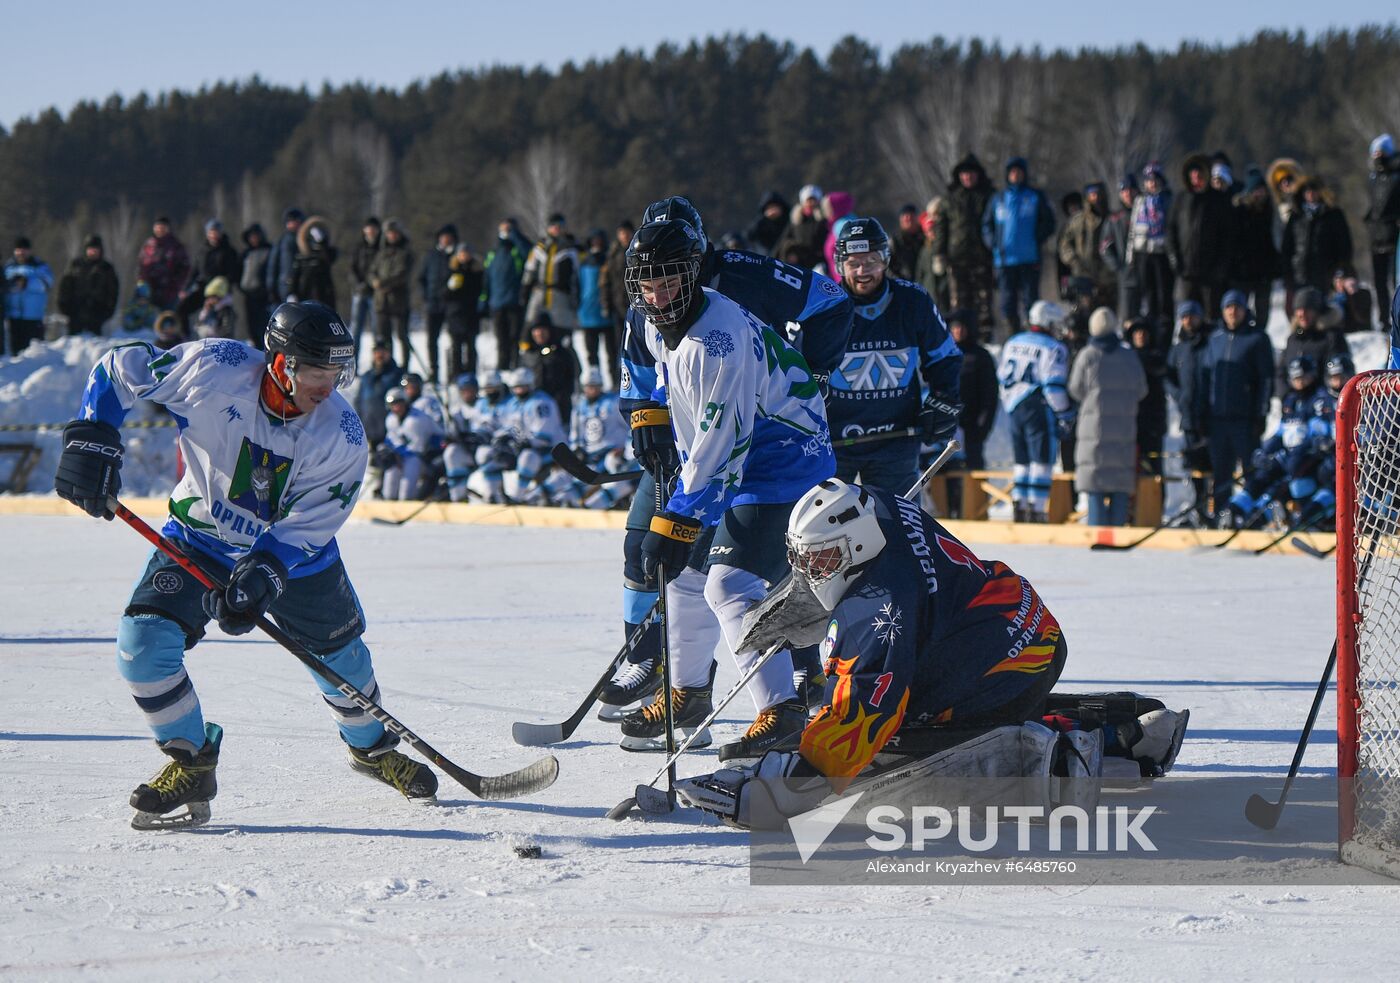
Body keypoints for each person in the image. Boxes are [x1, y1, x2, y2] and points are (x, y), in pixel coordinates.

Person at [52, 301, 437, 829]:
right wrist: (94, 436)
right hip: (198, 539)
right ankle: (192, 763)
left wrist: (265, 572)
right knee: (142, 646)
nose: (329, 386)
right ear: (282, 363)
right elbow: (120, 368)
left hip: (296, 559)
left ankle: (371, 749)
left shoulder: (341, 435)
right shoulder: (214, 368)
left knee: (342, 663)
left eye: (336, 374)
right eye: (318, 373)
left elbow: (312, 522)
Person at [673, 478, 1188, 830]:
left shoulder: (877, 607)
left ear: (853, 548)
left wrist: (774, 787)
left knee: (896, 749)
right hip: (1020, 629)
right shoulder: (873, 502)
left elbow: (861, 718)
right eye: (805, 560)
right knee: (925, 706)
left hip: (1002, 656)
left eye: (823, 561)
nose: (813, 572)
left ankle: (1075, 753)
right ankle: (1130, 723)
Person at [603, 196, 853, 722]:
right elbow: (689, 426)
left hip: (783, 460)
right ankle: (688, 695)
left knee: (729, 583)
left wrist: (677, 516)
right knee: (684, 577)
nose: (658, 294)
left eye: (669, 281)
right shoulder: (654, 323)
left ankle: (780, 713)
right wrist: (646, 422)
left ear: (694, 272)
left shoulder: (716, 342)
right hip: (738, 457)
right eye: (647, 283)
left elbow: (723, 447)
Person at [825, 218, 962, 493]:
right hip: (834, 446)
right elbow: (796, 368)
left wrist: (943, 401)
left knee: (900, 528)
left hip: (896, 442)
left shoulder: (913, 301)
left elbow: (945, 357)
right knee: (822, 531)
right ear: (841, 265)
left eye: (871, 261)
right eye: (854, 263)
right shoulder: (824, 305)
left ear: (885, 260)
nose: (863, 271)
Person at [1222, 355, 1337, 531]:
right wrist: (1264, 451)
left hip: (1311, 458)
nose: (1300, 382)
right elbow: (1280, 434)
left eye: (1303, 377)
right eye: (1296, 378)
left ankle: (1303, 517)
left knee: (1292, 480)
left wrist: (1292, 455)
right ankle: (1235, 511)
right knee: (1261, 476)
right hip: (1290, 456)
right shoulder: (1290, 401)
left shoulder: (1319, 399)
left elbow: (1317, 435)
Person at [1200, 291, 1276, 522]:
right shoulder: (1215, 340)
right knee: (1221, 472)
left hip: (1245, 419)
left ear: (1245, 310)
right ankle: (1222, 514)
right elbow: (1205, 379)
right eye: (1228, 307)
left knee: (1251, 470)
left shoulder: (1257, 339)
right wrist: (1203, 413)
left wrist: (1260, 414)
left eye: (1237, 307)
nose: (1233, 312)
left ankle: (1252, 515)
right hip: (1218, 420)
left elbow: (1266, 380)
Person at [996, 300, 1072, 523]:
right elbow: (1053, 384)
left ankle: (1019, 504)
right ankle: (1037, 510)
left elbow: (1001, 376)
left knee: (1021, 460)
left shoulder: (1012, 342)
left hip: (1013, 406)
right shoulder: (1053, 347)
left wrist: (1010, 400)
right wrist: (1064, 412)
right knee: (1042, 459)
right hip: (1036, 404)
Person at [1070, 308, 1147, 526]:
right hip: (1123, 433)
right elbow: (1142, 389)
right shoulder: (1129, 355)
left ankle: (1098, 534)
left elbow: (1075, 389)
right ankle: (1117, 533)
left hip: (1093, 433)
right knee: (1120, 489)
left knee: (1095, 487)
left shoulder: (1088, 355)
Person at [980, 156, 1055, 334]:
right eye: (1012, 172)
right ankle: (1012, 335)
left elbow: (1049, 222)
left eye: (1018, 172)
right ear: (1007, 175)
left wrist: (1037, 238)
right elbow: (986, 225)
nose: (1015, 175)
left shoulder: (1035, 197)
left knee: (1031, 301)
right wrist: (994, 244)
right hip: (1005, 260)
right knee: (1007, 303)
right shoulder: (998, 199)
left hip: (1029, 258)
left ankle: (1033, 332)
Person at [1167, 152, 1234, 318]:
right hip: (1186, 272)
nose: (1196, 176)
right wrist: (1175, 261)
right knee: (1188, 316)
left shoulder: (1218, 200)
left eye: (1199, 172)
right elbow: (1170, 231)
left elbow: (1228, 237)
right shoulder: (1181, 200)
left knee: (1211, 317)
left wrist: (1221, 267)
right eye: (1193, 172)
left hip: (1211, 274)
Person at [1165, 300, 1212, 520]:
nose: (1188, 321)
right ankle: (1199, 505)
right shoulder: (1179, 349)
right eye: (1184, 317)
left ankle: (1213, 506)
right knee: (1194, 465)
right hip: (1189, 415)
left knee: (1212, 463)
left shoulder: (1210, 343)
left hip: (1210, 416)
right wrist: (1178, 395)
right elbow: (1168, 376)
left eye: (1192, 316)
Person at [940, 154, 997, 335]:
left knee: (984, 300)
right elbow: (942, 227)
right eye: (964, 174)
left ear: (978, 175)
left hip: (983, 257)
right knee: (959, 302)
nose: (968, 177)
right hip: (957, 258)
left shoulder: (989, 196)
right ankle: (960, 336)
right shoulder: (951, 199)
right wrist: (939, 253)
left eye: (971, 174)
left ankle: (985, 336)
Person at [565, 367, 633, 509]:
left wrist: (625, 449)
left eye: (595, 386)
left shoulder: (613, 402)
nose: (592, 390)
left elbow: (629, 425)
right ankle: (568, 502)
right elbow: (575, 432)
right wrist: (576, 449)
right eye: (589, 387)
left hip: (612, 451)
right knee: (576, 481)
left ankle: (622, 499)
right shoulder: (579, 407)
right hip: (591, 455)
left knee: (614, 465)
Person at [947, 308, 998, 472]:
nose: (958, 331)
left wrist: (983, 425)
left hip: (972, 426)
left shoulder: (980, 356)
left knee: (974, 470)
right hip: (948, 425)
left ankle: (978, 498)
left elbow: (990, 394)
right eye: (955, 327)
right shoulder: (944, 354)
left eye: (962, 327)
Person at [1230, 168, 1281, 327]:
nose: (1260, 194)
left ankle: (1260, 336)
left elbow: (1271, 241)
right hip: (1243, 271)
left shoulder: (1269, 211)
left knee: (1263, 310)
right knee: (1241, 307)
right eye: (1256, 191)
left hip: (1264, 271)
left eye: (1262, 190)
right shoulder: (1240, 211)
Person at [1277, 287, 1349, 397]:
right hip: (1294, 405)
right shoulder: (1293, 339)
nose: (1302, 314)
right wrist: (1285, 396)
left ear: (1318, 311)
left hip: (1323, 404)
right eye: (1299, 309)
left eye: (1308, 309)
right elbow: (1281, 372)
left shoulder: (1331, 337)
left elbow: (1339, 372)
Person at [481, 218, 531, 371]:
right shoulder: (493, 253)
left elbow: (528, 254)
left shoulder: (517, 250)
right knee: (501, 339)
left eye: (508, 229)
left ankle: (516, 364)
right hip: (497, 302)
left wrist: (515, 235)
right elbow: (487, 278)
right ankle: (503, 366)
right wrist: (484, 299)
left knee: (515, 336)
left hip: (515, 302)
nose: (505, 232)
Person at [377, 386, 442, 501]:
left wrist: (397, 454)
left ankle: (408, 502)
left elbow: (418, 447)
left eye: (399, 403)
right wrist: (387, 451)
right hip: (402, 455)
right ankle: (389, 506)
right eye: (393, 404)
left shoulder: (416, 420)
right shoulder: (391, 419)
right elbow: (390, 440)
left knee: (406, 489)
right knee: (390, 483)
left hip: (423, 456)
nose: (396, 407)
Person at [518, 312, 580, 427]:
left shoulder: (562, 352)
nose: (539, 333)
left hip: (559, 407)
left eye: (543, 329)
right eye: (536, 330)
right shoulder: (527, 354)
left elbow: (573, 377)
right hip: (534, 408)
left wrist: (563, 397)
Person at [177, 219, 241, 329]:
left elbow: (234, 273)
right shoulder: (203, 251)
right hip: (202, 288)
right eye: (211, 232)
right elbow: (195, 272)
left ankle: (222, 340)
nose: (214, 235)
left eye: (216, 232)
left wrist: (222, 287)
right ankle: (185, 337)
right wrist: (186, 289)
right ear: (207, 233)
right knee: (182, 309)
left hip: (220, 293)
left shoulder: (229, 251)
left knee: (220, 320)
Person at [522, 213, 579, 334]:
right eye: (553, 225)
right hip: (539, 294)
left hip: (561, 295)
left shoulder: (571, 249)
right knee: (534, 328)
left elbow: (576, 275)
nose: (557, 228)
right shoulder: (539, 248)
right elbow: (529, 270)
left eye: (560, 225)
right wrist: (525, 291)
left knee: (561, 330)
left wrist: (575, 296)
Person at [369, 219, 414, 370]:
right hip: (381, 301)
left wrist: (384, 283)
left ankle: (405, 366)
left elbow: (402, 274)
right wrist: (374, 281)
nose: (392, 236)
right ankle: (387, 365)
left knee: (402, 336)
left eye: (394, 233)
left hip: (399, 300)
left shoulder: (405, 252)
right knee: (384, 337)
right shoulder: (381, 253)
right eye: (389, 233)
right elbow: (372, 271)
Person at [1365, 135, 1400, 328]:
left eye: (1382, 152)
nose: (1378, 156)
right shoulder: (1373, 178)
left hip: (1395, 234)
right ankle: (1383, 319)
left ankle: (1397, 317)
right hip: (1376, 234)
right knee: (1378, 281)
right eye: (1375, 153)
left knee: (1396, 280)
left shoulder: (1397, 175)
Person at [575, 229, 617, 385]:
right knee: (591, 353)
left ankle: (615, 381)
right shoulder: (584, 262)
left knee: (612, 352)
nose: (596, 244)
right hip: (588, 312)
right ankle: (594, 382)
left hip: (606, 312)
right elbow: (576, 285)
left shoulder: (609, 260)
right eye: (594, 241)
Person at [1126, 317, 1167, 477]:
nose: (1140, 336)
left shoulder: (1157, 357)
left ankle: (1157, 500)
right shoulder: (1125, 358)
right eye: (1137, 332)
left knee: (1153, 466)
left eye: (1144, 332)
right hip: (1131, 420)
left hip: (1152, 422)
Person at [418, 224, 458, 384]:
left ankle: (454, 372)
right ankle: (434, 371)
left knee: (454, 339)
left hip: (451, 305)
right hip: (433, 304)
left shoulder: (457, 256)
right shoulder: (431, 256)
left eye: (449, 237)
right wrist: (426, 296)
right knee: (432, 340)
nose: (446, 239)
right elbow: (421, 278)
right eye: (443, 236)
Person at [1099, 173, 1141, 322]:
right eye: (1124, 191)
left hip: (1146, 273)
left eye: (1131, 190)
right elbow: (1105, 247)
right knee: (1127, 315)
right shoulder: (1114, 219)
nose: (1128, 194)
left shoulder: (1146, 213)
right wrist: (1118, 267)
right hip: (1126, 276)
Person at [57, 234, 119, 336]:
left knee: (95, 346)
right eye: (91, 249)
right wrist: (64, 307)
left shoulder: (106, 268)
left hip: (97, 314)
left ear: (101, 250)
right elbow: (65, 287)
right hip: (75, 312)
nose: (93, 252)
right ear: (86, 249)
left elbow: (113, 292)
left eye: (96, 249)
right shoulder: (76, 265)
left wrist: (107, 311)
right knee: (73, 345)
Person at [4, 237, 53, 355]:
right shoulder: (9, 267)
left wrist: (27, 282)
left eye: (24, 250)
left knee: (35, 352)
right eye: (18, 250)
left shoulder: (40, 266)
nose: (21, 253)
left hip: (33, 317)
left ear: (29, 251)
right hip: (14, 317)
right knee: (15, 352)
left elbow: (47, 283)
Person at [444, 242, 483, 380]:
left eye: (466, 253)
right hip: (455, 314)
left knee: (471, 346)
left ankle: (471, 373)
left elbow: (481, 290)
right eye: (461, 253)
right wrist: (451, 288)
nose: (464, 256)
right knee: (456, 347)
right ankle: (456, 374)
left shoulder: (477, 271)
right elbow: (444, 294)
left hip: (471, 313)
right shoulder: (451, 270)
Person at [137, 217, 191, 311]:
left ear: (167, 229)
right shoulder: (149, 244)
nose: (160, 230)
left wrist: (176, 284)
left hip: (169, 290)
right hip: (149, 289)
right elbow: (142, 265)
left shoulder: (175, 246)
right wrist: (142, 281)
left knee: (166, 319)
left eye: (162, 228)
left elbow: (184, 267)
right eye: (157, 227)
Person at [354, 340, 401, 448]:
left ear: (389, 353)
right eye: (377, 352)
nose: (380, 355)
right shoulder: (366, 376)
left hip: (390, 434)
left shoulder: (397, 375)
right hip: (368, 433)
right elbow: (358, 402)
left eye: (383, 352)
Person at [774, 184, 828, 270]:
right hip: (799, 262)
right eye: (808, 200)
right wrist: (774, 259)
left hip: (818, 262)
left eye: (814, 200)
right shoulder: (796, 221)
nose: (811, 203)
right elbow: (784, 240)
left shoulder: (823, 220)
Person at [348, 217, 381, 357]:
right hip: (359, 292)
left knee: (376, 329)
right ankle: (353, 362)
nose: (371, 231)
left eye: (374, 228)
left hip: (376, 293)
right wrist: (358, 284)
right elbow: (352, 269)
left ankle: (377, 360)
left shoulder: (381, 247)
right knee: (355, 329)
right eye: (369, 227)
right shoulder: (359, 247)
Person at [238, 225, 272, 349]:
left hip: (263, 294)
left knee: (264, 323)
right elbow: (238, 272)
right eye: (251, 237)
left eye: (256, 236)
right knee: (251, 324)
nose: (254, 239)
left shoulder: (268, 250)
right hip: (248, 294)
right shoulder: (246, 253)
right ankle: (255, 346)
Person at [264, 207, 304, 305]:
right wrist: (271, 288)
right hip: (286, 287)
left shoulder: (306, 239)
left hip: (303, 286)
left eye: (296, 221)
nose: (294, 223)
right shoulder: (283, 241)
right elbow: (272, 265)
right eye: (291, 221)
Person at [745, 190, 789, 257]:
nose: (773, 211)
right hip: (764, 256)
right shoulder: (761, 222)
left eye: (775, 207)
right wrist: (763, 218)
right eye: (770, 208)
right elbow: (749, 235)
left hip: (784, 255)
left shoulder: (788, 221)